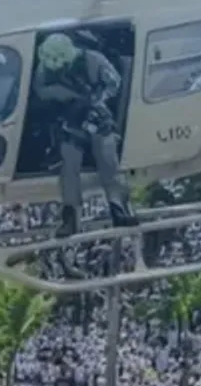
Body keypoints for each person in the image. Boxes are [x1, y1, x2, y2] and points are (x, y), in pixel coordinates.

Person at [32, 33, 137, 236]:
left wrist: (96, 99)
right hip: (70, 118)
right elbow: (41, 90)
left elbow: (113, 83)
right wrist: (64, 96)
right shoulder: (45, 69)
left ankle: (119, 207)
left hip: (97, 115)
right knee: (69, 163)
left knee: (108, 158)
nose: (57, 66)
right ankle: (70, 215)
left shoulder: (93, 60)